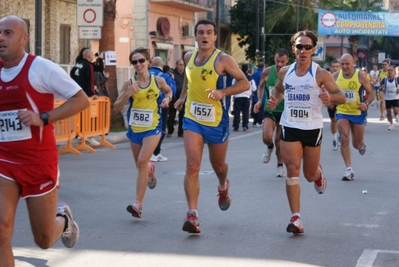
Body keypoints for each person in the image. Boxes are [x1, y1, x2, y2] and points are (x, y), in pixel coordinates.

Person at [0, 15, 90, 266]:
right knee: (1, 230)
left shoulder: (40, 68)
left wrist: (44, 117)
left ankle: (63, 220)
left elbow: (81, 100)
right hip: (4, 162)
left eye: (8, 33)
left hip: (38, 163)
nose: (1, 38)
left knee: (43, 238)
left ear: (24, 39)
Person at [174, 19, 249, 234]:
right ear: (195, 36)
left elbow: (243, 82)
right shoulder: (189, 57)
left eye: (209, 32)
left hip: (216, 120)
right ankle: (192, 214)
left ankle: (223, 185)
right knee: (193, 165)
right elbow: (189, 79)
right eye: (200, 32)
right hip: (192, 118)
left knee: (219, 166)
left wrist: (223, 93)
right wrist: (182, 97)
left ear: (215, 36)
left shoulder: (223, 60)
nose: (204, 36)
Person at [267, 30, 346, 234]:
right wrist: (275, 99)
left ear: (313, 50)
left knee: (309, 175)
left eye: (307, 47)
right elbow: (278, 89)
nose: (303, 50)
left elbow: (341, 96)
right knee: (292, 168)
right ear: (294, 49)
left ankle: (318, 173)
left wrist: (330, 99)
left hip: (312, 128)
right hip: (290, 125)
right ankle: (296, 218)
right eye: (299, 46)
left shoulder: (321, 74)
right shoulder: (285, 72)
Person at [113, 48, 172, 218]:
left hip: (153, 128)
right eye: (134, 62)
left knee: (141, 160)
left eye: (141, 61)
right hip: (135, 129)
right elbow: (116, 107)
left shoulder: (158, 81)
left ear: (148, 62)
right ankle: (150, 169)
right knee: (140, 166)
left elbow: (168, 91)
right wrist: (128, 94)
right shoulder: (129, 83)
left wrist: (167, 99)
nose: (138, 64)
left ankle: (138, 204)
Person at [333, 53, 374, 181]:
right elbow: (327, 89)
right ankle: (348, 169)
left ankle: (361, 145)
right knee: (344, 137)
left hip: (357, 113)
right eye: (342, 64)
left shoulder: (360, 76)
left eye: (347, 64)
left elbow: (371, 92)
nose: (344, 66)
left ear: (353, 63)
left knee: (356, 144)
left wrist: (366, 103)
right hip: (342, 112)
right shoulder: (335, 76)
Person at [254, 48, 289, 178]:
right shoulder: (267, 72)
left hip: (285, 111)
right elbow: (261, 86)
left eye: (282, 62)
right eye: (277, 61)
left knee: (279, 141)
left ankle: (280, 165)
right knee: (267, 137)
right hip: (270, 109)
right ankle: (269, 147)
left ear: (287, 61)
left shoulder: (291, 72)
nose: (279, 64)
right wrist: (259, 100)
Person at [70, 47, 102, 146]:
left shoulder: (78, 64)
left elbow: (71, 75)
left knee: (79, 115)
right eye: (92, 55)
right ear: (89, 56)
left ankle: (80, 133)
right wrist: (93, 94)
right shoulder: (88, 66)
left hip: (76, 93)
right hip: (85, 95)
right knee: (89, 115)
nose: (93, 56)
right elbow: (91, 81)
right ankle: (88, 135)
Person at [148, 56, 176, 162]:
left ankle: (152, 152)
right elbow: (171, 90)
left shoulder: (145, 74)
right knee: (160, 128)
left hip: (145, 105)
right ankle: (155, 152)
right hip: (160, 106)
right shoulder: (165, 76)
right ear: (161, 65)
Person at [232, 64, 256, 132]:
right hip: (246, 97)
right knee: (245, 112)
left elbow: (232, 85)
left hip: (237, 97)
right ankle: (245, 126)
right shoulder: (250, 78)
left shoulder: (236, 77)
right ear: (247, 70)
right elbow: (254, 88)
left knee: (237, 112)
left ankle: (236, 127)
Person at [326, 59, 341, 151]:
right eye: (333, 66)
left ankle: (339, 135)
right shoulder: (326, 77)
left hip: (340, 102)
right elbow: (324, 90)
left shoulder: (343, 76)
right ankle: (334, 138)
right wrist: (328, 101)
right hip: (331, 102)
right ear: (330, 67)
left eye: (337, 66)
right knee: (333, 121)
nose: (335, 68)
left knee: (340, 120)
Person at [167, 59, 185, 137]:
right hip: (175, 96)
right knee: (172, 114)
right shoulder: (172, 74)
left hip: (183, 96)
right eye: (180, 65)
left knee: (182, 114)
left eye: (183, 65)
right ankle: (170, 131)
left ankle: (181, 132)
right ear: (177, 65)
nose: (182, 67)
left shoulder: (185, 74)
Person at [379, 65, 399, 130]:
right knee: (388, 112)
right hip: (387, 98)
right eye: (389, 70)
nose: (390, 72)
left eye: (391, 70)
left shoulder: (397, 79)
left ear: (394, 72)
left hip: (395, 97)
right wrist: (381, 88)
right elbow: (380, 88)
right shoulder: (384, 79)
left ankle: (397, 117)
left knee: (396, 110)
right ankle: (391, 124)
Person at [251, 62, 264, 127]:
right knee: (260, 107)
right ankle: (259, 121)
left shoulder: (254, 73)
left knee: (255, 106)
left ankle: (255, 121)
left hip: (254, 91)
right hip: (261, 92)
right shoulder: (263, 73)